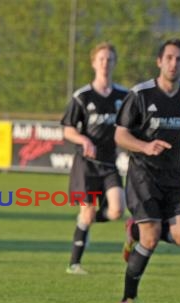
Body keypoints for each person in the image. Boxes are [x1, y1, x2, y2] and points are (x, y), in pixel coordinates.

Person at [114, 38, 180, 303]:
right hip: (143, 175)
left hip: (175, 176)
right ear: (159, 61)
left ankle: (135, 229)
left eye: (179, 59)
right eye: (169, 58)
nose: (173, 63)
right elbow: (120, 134)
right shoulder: (140, 94)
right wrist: (145, 146)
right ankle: (127, 298)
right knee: (151, 237)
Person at [61, 42, 127, 275]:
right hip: (86, 165)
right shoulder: (83, 96)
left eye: (110, 59)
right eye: (101, 59)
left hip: (109, 164)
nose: (105, 63)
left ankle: (84, 223)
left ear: (115, 63)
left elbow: (132, 127)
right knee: (88, 210)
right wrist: (84, 140)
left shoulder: (124, 96)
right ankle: (74, 264)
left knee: (118, 209)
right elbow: (67, 129)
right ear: (93, 63)